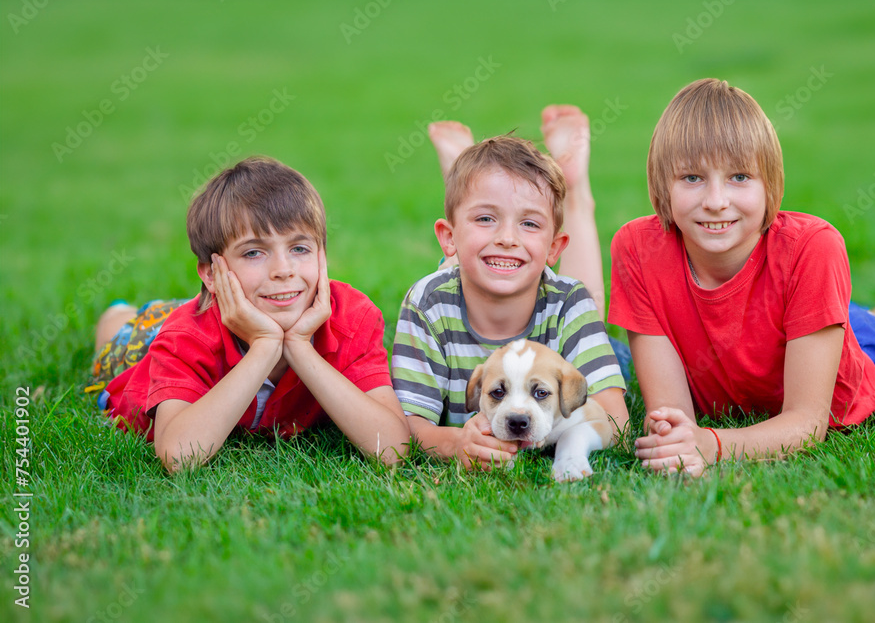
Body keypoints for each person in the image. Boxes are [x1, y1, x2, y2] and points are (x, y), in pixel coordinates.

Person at [609, 78, 875, 477]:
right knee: (860, 317)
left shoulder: (814, 248)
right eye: (692, 178)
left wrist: (711, 445)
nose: (716, 202)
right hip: (791, 320)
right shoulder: (637, 248)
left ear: (770, 185)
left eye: (739, 177)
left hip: (829, 348)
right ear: (662, 186)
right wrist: (681, 438)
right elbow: (672, 419)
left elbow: (807, 425)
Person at [87, 157, 410, 472]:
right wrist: (265, 346)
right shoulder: (183, 336)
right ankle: (119, 312)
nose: (283, 270)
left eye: (299, 249)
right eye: (254, 252)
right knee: (122, 328)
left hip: (226, 309)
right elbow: (179, 457)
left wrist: (298, 345)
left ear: (322, 255)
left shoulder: (353, 317)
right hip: (151, 341)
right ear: (211, 273)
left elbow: (393, 450)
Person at [392, 123, 629, 471]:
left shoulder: (568, 302)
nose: (507, 237)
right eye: (486, 218)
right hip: (458, 289)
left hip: (567, 331)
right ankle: (462, 213)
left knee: (592, 313)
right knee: (477, 266)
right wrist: (458, 442)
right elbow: (409, 427)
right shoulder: (426, 304)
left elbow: (615, 422)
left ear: (554, 248)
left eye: (529, 224)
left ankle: (575, 194)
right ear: (447, 236)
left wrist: (569, 443)